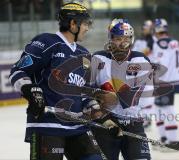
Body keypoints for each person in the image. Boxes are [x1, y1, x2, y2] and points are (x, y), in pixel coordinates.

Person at [9, 2, 109, 160]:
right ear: (73, 23)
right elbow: (18, 71)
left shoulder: (84, 54)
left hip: (78, 126)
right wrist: (30, 90)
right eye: (85, 24)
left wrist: (97, 111)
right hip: (47, 126)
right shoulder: (47, 42)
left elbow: (84, 93)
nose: (87, 28)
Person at [90, 19, 151, 160]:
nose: (123, 42)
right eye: (118, 38)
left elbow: (138, 94)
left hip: (133, 122)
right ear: (111, 39)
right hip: (105, 123)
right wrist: (101, 114)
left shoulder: (140, 61)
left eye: (126, 38)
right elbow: (88, 88)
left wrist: (113, 97)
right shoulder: (97, 58)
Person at [150, 18, 179, 147]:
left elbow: (161, 65)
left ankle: (173, 140)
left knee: (166, 108)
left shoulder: (159, 43)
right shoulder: (175, 42)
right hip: (174, 80)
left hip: (165, 81)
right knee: (159, 108)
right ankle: (164, 137)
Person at [132, 20, 155, 129]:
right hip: (137, 71)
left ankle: (147, 119)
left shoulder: (153, 41)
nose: (144, 30)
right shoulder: (138, 41)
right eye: (144, 27)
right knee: (139, 96)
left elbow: (146, 53)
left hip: (147, 70)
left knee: (147, 97)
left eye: (147, 28)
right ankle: (143, 118)